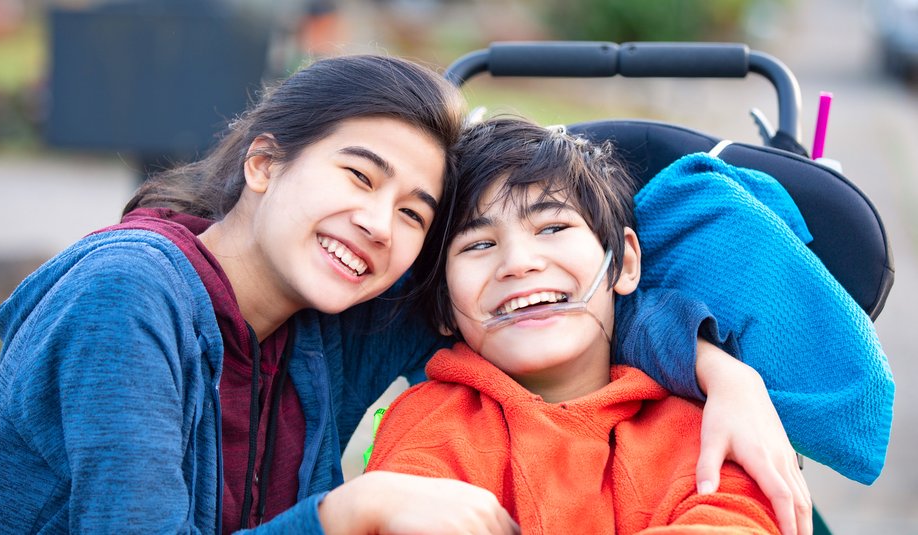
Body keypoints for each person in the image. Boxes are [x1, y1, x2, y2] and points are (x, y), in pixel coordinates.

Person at [0, 56, 808, 534]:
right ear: (263, 164)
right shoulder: (128, 296)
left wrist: (719, 369)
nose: (378, 223)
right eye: (359, 175)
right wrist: (344, 511)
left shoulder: (330, 317)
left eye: (413, 212)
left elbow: (544, 309)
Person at [366, 117, 889, 533]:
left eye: (552, 226)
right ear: (440, 308)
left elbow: (735, 519)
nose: (518, 262)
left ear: (624, 264)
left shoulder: (702, 428)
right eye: (479, 244)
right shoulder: (431, 423)